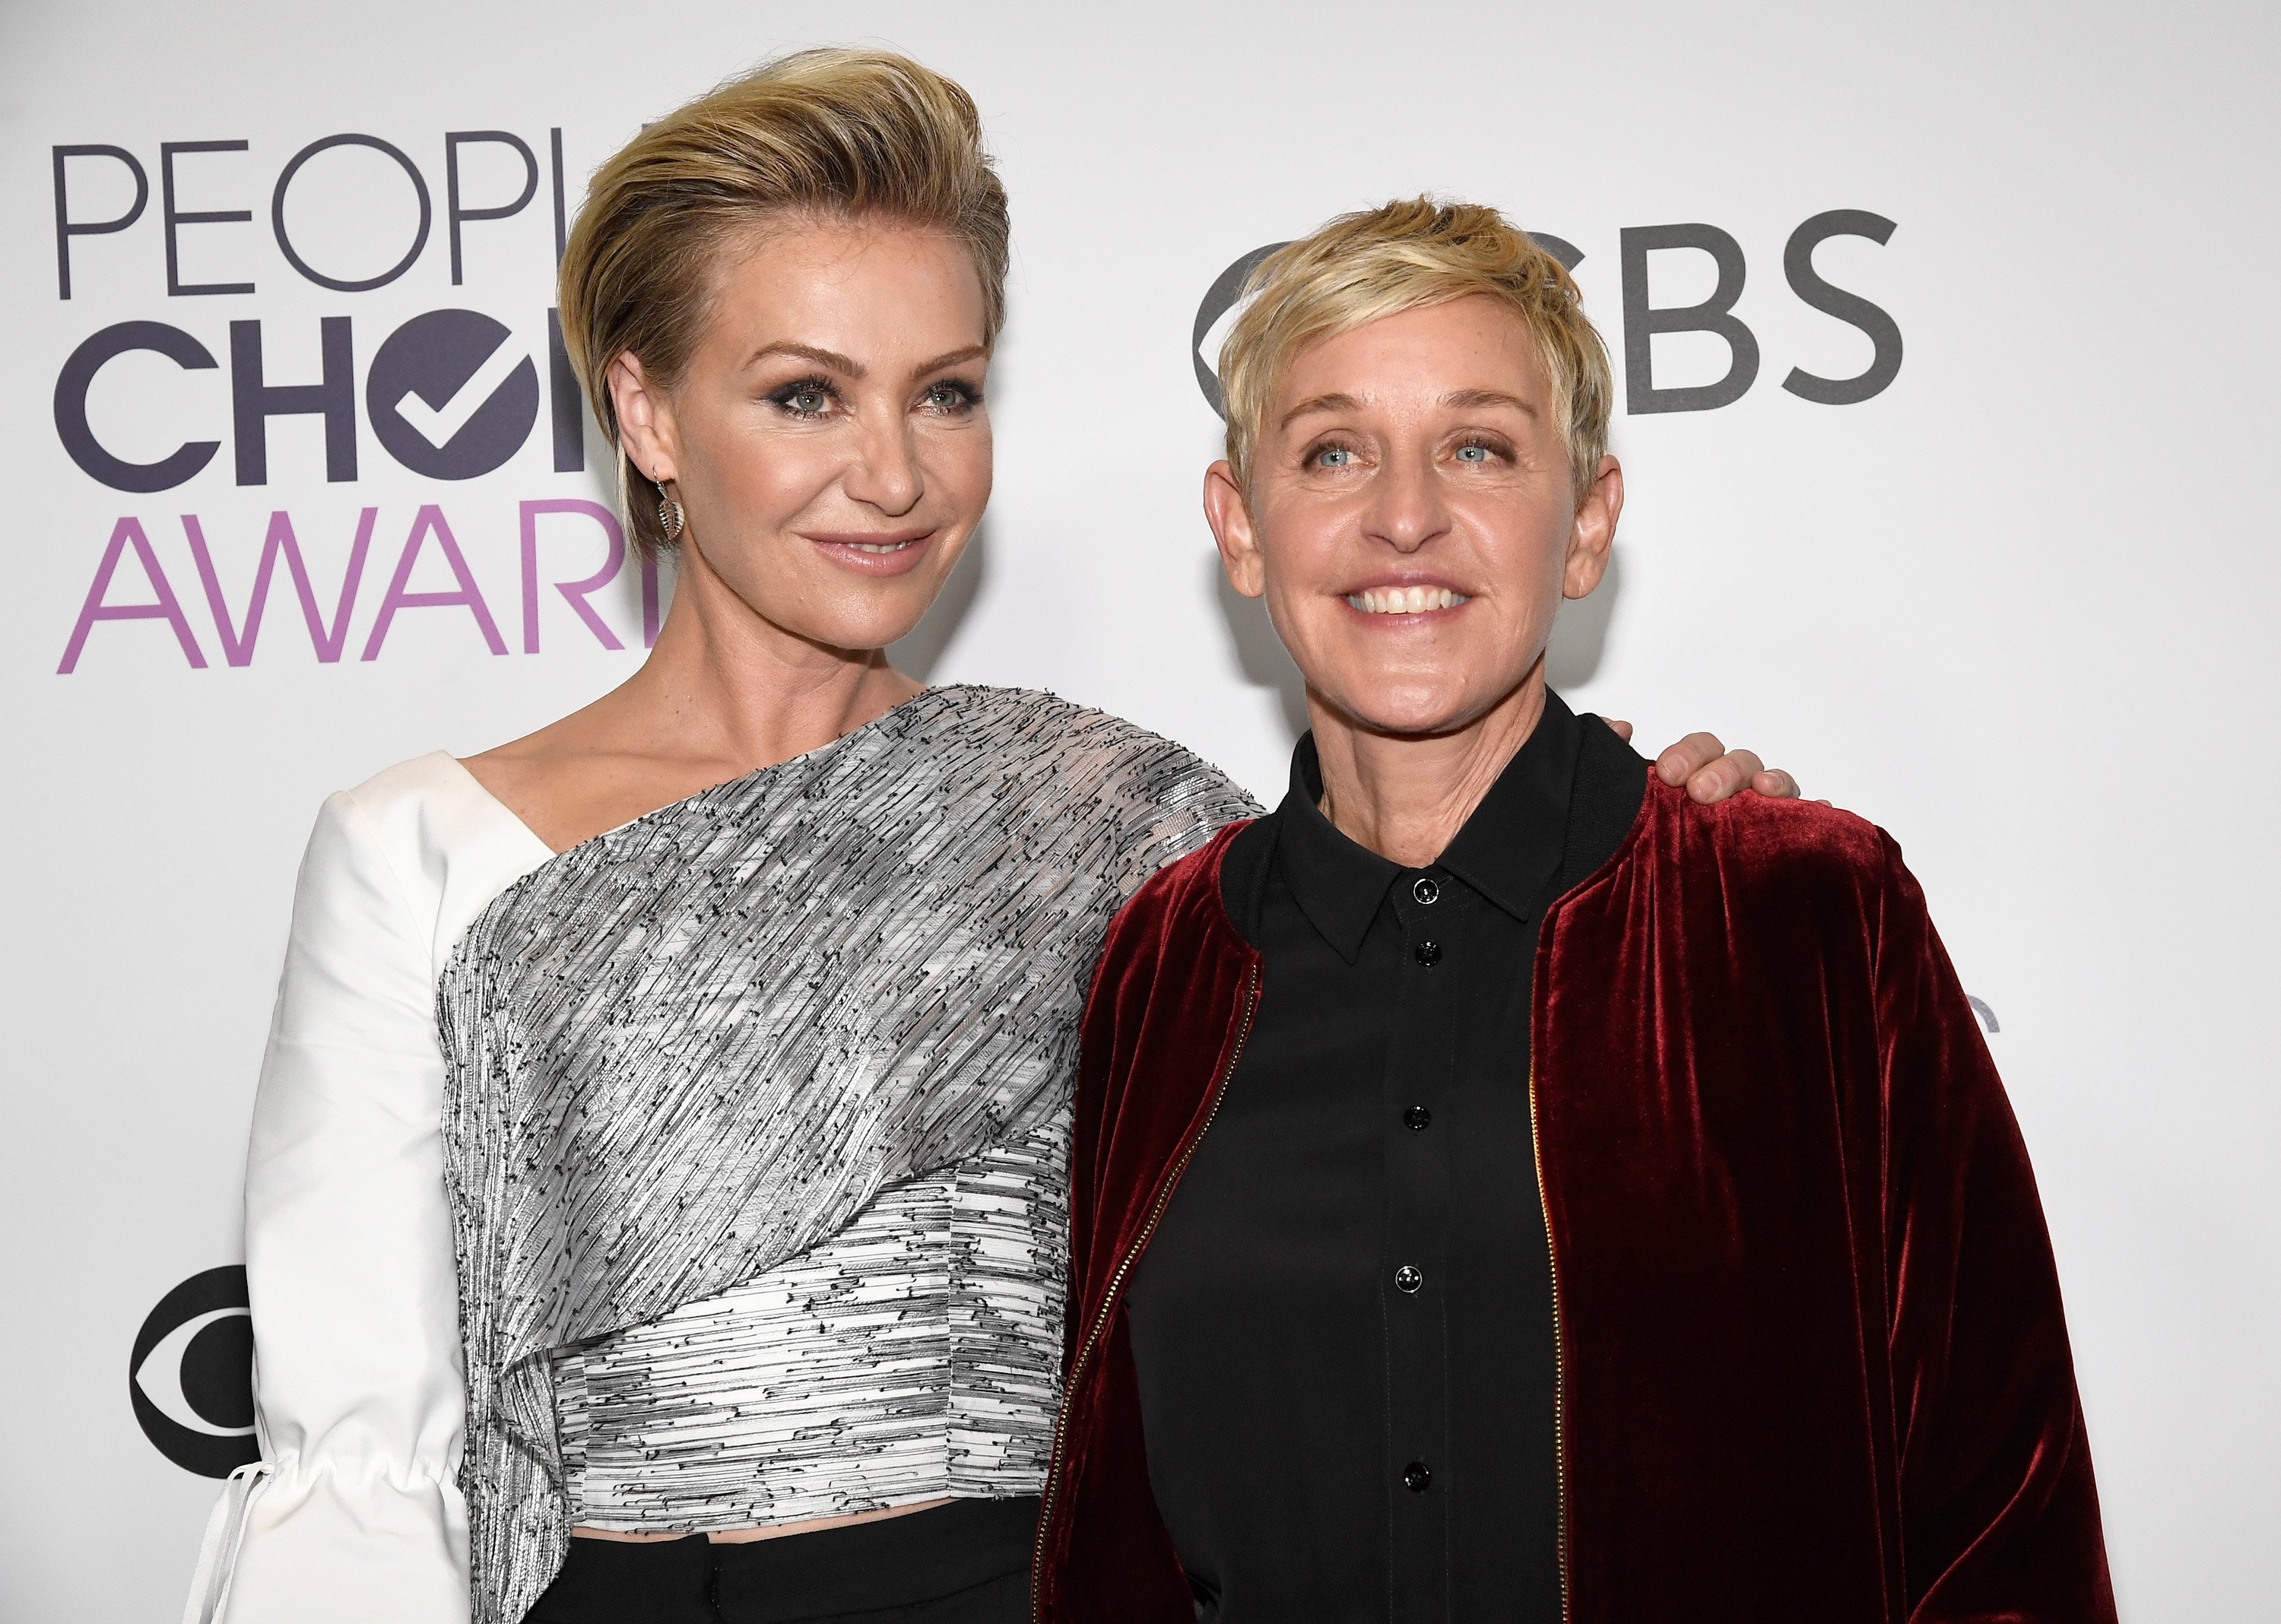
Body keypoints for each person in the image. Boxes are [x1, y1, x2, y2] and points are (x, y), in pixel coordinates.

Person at [182, 56, 1799, 1624]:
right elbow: (362, 1462)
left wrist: (1661, 856)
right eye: (805, 393)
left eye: (944, 393)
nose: (891, 473)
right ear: (648, 412)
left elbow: (1426, 1045)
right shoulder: (420, 850)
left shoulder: (1117, 822)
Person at [1035, 198, 2114, 1624]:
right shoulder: (1161, 958)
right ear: (1242, 525)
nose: (1403, 514)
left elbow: (2001, 1519)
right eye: (1333, 450)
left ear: (1588, 520)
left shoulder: (1801, 914)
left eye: (1477, 447)